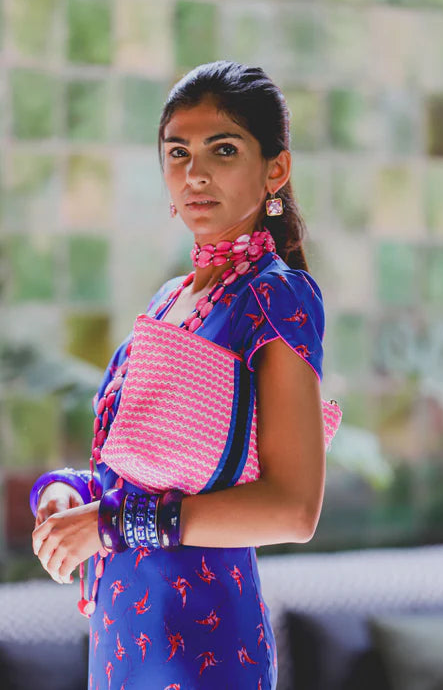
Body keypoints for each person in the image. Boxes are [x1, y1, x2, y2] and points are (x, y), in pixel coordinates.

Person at [30, 60, 336, 689]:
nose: (195, 174)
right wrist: (67, 496)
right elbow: (137, 478)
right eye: (178, 153)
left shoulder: (275, 297)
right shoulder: (170, 300)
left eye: (223, 150)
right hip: (119, 643)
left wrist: (110, 524)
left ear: (275, 169)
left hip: (203, 651)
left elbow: (293, 509)